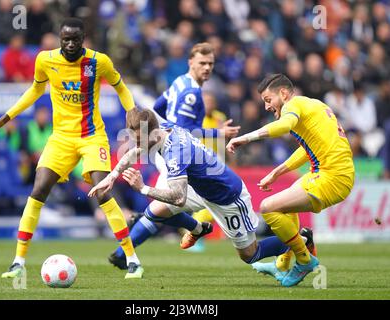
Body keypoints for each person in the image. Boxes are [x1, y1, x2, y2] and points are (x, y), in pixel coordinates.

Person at [0, 18, 143, 279]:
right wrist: (6, 117)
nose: (70, 44)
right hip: (61, 138)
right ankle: (18, 262)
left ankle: (132, 259)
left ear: (83, 40)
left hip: (92, 136)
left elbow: (121, 87)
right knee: (38, 191)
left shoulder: (98, 61)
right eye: (65, 39)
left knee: (103, 193)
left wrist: (132, 111)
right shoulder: (45, 60)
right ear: (60, 38)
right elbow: (35, 90)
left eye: (75, 40)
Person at [89, 109, 308, 279]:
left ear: (153, 134)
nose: (138, 145)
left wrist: (143, 188)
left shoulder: (175, 151)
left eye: (140, 140)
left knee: (250, 255)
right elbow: (136, 150)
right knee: (154, 211)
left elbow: (178, 197)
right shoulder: (161, 128)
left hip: (226, 196)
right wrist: (111, 176)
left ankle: (301, 239)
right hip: (200, 187)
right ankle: (199, 228)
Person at [108, 43, 240, 268]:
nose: (206, 68)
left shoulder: (180, 82)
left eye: (210, 64)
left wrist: (158, 127)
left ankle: (194, 228)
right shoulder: (191, 94)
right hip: (173, 151)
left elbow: (157, 108)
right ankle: (124, 253)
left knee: (164, 207)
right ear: (191, 62)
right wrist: (218, 132)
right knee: (167, 204)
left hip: (167, 147)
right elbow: (184, 131)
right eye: (202, 63)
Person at [227, 74, 355, 287]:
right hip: (328, 172)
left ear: (283, 93)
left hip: (332, 176)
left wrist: (245, 137)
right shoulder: (312, 105)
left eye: (268, 100)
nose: (267, 106)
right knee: (286, 207)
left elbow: (284, 126)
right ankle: (283, 263)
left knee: (268, 208)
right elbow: (307, 150)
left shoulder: (293, 105)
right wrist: (277, 172)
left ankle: (304, 259)